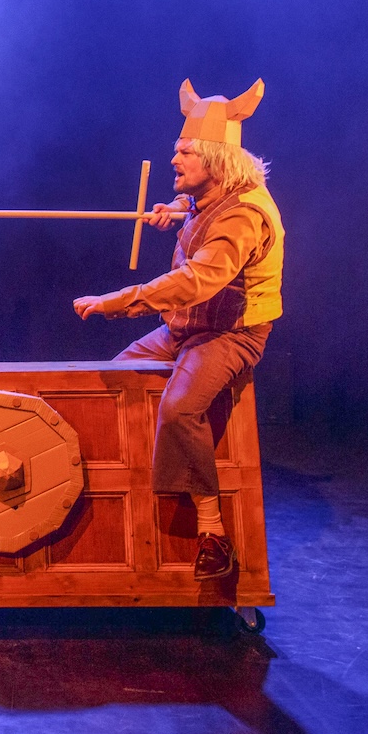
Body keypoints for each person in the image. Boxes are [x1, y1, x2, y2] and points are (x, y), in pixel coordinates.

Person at [73, 80, 283, 582]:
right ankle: (126, 497)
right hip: (188, 327)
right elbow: (204, 214)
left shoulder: (246, 214)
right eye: (176, 150)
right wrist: (179, 211)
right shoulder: (214, 197)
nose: (175, 160)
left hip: (231, 332)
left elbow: (198, 278)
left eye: (186, 152)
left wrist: (118, 301)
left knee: (181, 405)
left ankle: (212, 533)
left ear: (216, 158)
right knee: (119, 377)